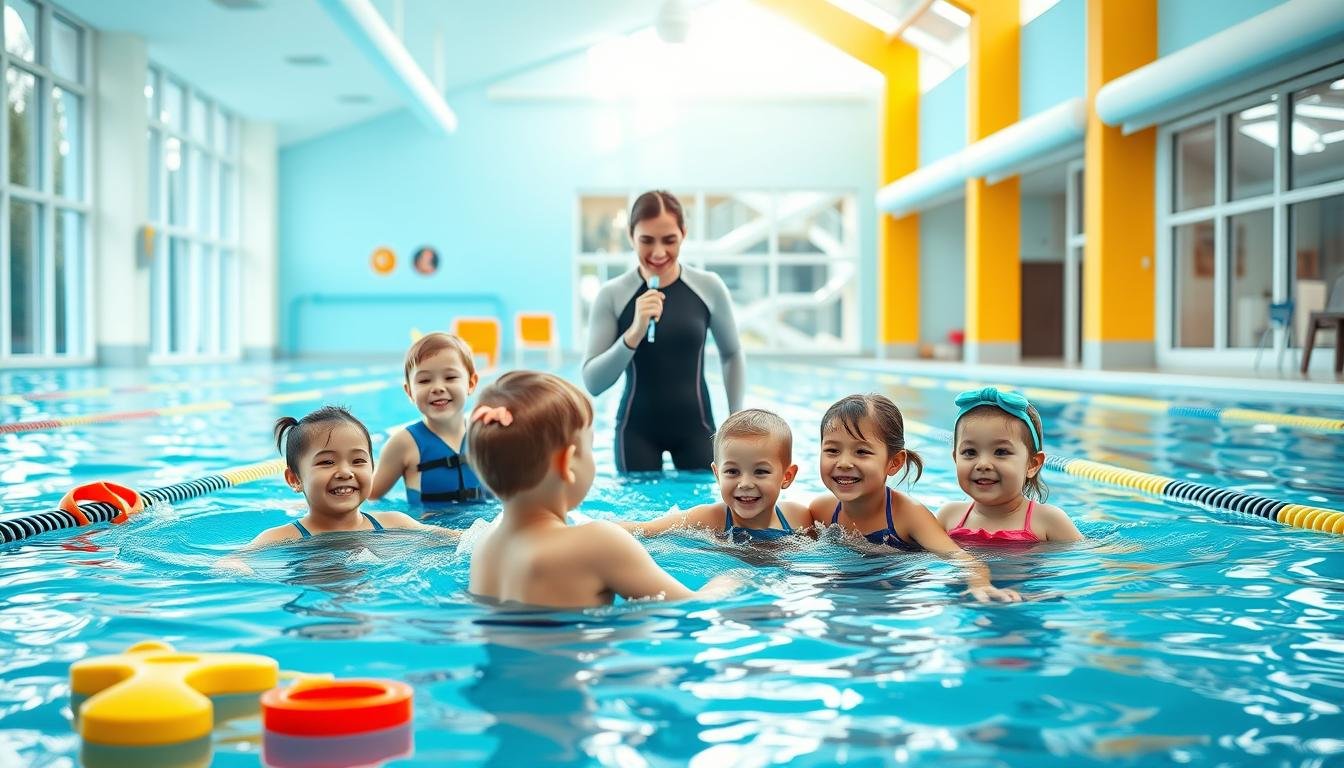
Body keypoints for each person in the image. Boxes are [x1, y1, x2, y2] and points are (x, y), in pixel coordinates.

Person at [466, 371, 737, 608]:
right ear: (568, 462)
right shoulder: (599, 542)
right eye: (590, 447)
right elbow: (691, 606)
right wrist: (730, 580)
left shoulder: (485, 545)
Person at [582, 190, 745, 472]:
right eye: (646, 240)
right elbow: (593, 383)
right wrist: (633, 333)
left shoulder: (708, 287)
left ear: (683, 233)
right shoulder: (612, 295)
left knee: (705, 515)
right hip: (635, 433)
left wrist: (735, 420)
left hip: (698, 430)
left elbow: (731, 353)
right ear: (631, 236)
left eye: (669, 240)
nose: (658, 252)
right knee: (636, 517)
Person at [807, 394, 1021, 603]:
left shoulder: (909, 515)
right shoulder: (821, 511)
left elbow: (961, 559)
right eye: (832, 450)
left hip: (898, 592)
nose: (844, 462)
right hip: (842, 590)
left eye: (862, 452)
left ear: (894, 462)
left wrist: (980, 584)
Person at [239, 406, 454, 549]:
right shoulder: (282, 537)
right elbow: (232, 562)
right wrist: (236, 568)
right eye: (327, 462)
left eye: (358, 461)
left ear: (372, 468)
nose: (345, 472)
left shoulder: (395, 523)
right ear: (294, 479)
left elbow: (459, 538)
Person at [622, 408, 810, 542]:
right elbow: (645, 530)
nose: (745, 483)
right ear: (717, 474)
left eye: (760, 472)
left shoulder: (799, 518)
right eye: (732, 471)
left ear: (787, 476)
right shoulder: (708, 519)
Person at [936, 387, 1083, 544]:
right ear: (955, 458)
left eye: (1001, 452)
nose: (983, 464)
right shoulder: (948, 517)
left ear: (1032, 464)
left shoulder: (1049, 521)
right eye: (970, 452)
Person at [369, 332, 486, 506]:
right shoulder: (403, 444)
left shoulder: (485, 435)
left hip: (484, 529)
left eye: (450, 377)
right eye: (424, 380)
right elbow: (370, 496)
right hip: (430, 531)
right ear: (409, 392)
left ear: (471, 383)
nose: (438, 388)